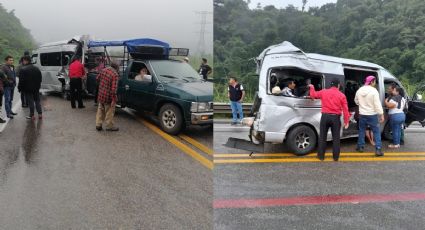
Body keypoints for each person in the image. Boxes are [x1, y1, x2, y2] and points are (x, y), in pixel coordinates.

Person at [309, 79, 350, 161]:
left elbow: (313, 95)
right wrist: (346, 121)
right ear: (338, 85)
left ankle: (321, 156)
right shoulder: (342, 95)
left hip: (325, 117)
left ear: (331, 85)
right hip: (335, 118)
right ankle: (335, 157)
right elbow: (345, 109)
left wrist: (312, 87)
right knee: (336, 139)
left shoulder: (324, 91)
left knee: (322, 137)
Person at [355, 75, 385, 156]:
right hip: (372, 115)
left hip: (362, 114)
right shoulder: (374, 91)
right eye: (374, 82)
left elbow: (356, 101)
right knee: (376, 132)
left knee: (361, 130)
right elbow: (377, 104)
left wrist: (362, 104)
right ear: (371, 82)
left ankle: (360, 146)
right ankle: (378, 149)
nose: (375, 83)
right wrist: (381, 114)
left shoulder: (359, 90)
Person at [95, 62, 120, 131]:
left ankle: (98, 125)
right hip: (108, 97)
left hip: (101, 94)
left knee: (100, 110)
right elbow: (114, 89)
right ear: (116, 68)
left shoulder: (103, 70)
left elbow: (97, 78)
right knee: (109, 111)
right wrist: (114, 99)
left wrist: (102, 86)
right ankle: (109, 126)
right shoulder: (115, 75)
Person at [18, 56, 42, 120]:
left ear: (25, 61)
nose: (23, 62)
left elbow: (21, 81)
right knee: (37, 101)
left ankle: (32, 115)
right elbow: (40, 79)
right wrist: (38, 86)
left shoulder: (23, 69)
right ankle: (40, 114)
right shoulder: (37, 68)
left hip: (27, 89)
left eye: (23, 61)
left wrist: (19, 88)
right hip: (36, 88)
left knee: (30, 102)